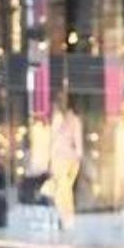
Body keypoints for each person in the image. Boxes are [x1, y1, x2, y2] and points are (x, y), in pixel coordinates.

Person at [48, 94, 83, 232]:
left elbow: (77, 143)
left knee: (63, 189)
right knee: (62, 189)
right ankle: (65, 218)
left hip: (65, 158)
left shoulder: (71, 120)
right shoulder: (60, 119)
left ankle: (66, 218)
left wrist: (77, 157)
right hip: (61, 158)